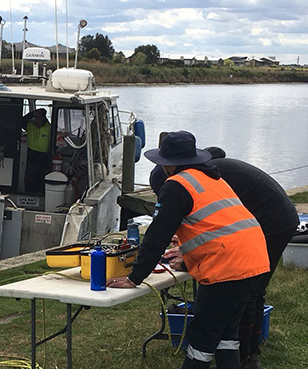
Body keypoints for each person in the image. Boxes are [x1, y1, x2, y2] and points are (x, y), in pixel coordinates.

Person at [107, 131, 270, 369]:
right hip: (253, 259)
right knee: (226, 334)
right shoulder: (214, 179)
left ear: (166, 164)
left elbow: (157, 234)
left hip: (225, 268)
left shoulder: (176, 185)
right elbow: (214, 226)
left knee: (202, 339)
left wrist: (135, 277)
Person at [154, 146, 298, 369]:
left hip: (271, 221)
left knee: (251, 289)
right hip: (275, 216)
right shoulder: (206, 174)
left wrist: (186, 259)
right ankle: (244, 353)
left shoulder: (198, 182)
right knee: (250, 290)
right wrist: (185, 247)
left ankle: (247, 357)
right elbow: (217, 222)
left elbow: (223, 231)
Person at [22, 108, 51, 193]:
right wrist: (31, 114)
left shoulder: (49, 128)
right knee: (29, 178)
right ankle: (28, 193)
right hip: (31, 155)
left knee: (42, 178)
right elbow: (21, 121)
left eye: (39, 118)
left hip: (44, 157)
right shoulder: (30, 125)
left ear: (44, 118)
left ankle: (41, 194)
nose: (36, 120)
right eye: (36, 117)